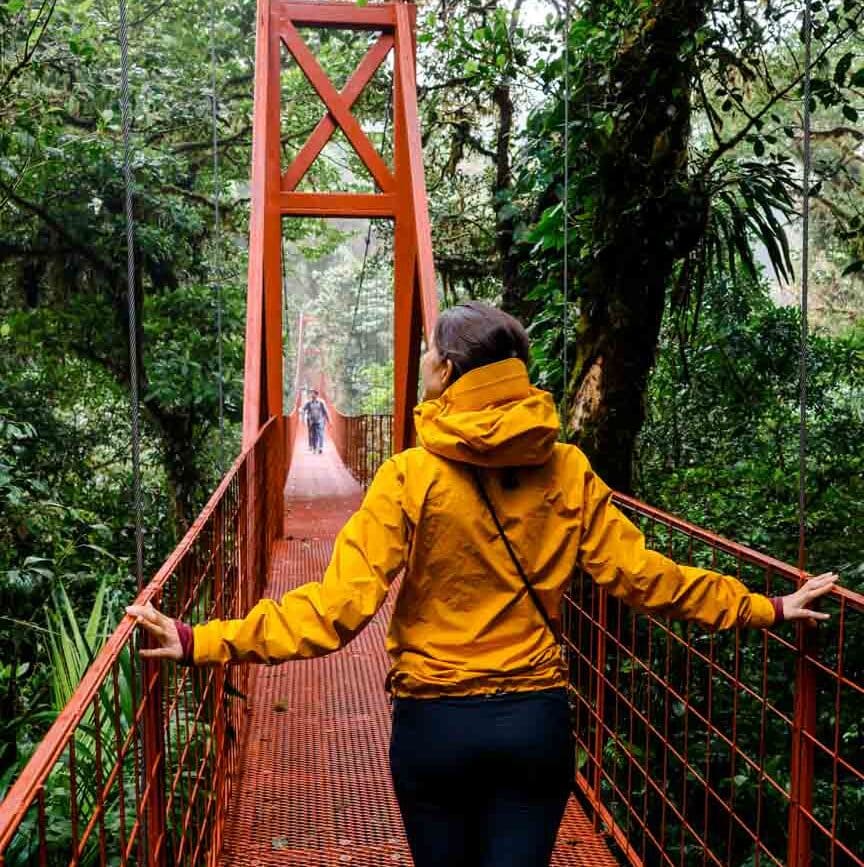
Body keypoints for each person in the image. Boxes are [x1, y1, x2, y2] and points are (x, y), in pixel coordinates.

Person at [128, 301, 839, 867]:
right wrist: (767, 606)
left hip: (434, 726)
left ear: (446, 372)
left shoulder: (410, 476)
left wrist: (203, 640)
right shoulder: (567, 470)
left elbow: (337, 610)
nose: (423, 363)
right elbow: (649, 578)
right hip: (534, 724)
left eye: (428, 353)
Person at [301, 389, 330, 454]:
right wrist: (303, 418)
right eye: (311, 393)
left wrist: (329, 421)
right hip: (312, 421)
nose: (312, 394)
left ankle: (320, 447)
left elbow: (325, 411)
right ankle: (314, 448)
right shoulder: (309, 403)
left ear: (317, 395)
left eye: (313, 393)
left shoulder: (321, 402)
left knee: (320, 433)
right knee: (313, 434)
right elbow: (303, 409)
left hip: (320, 420)